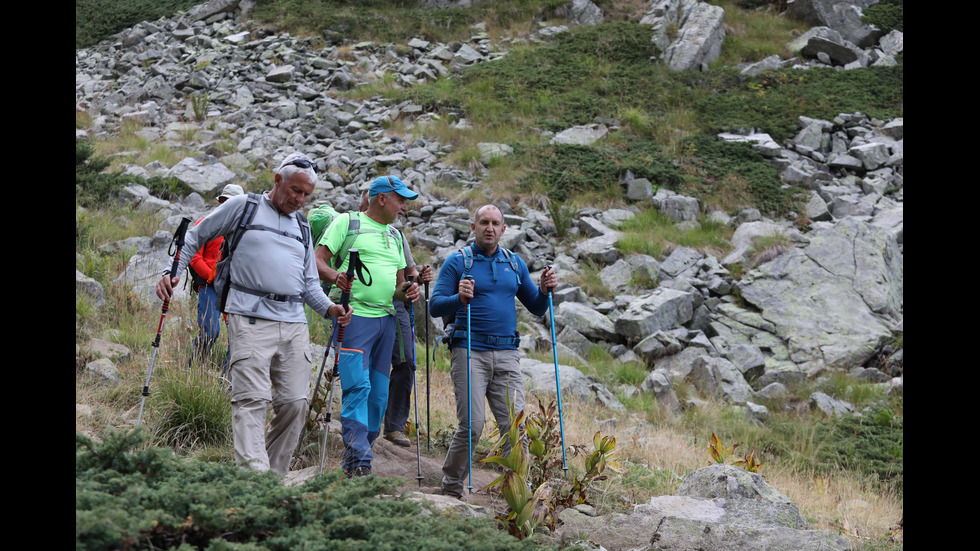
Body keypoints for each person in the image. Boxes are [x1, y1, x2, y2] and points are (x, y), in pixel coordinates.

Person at [156, 152, 352, 475]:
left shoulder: (303, 226)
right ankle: (254, 481)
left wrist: (330, 309)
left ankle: (270, 485)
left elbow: (309, 284)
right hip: (248, 319)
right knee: (251, 400)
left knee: (295, 404)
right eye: (296, 191)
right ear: (278, 180)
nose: (301, 200)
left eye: (307, 195)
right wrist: (171, 270)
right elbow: (195, 235)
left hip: (294, 325)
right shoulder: (243, 207)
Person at [429, 204, 558, 498]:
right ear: (473, 227)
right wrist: (458, 298)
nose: (490, 228)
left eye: (495, 223)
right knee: (472, 425)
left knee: (517, 428)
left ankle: (518, 492)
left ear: (503, 229)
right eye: (484, 222)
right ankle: (451, 486)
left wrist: (546, 290)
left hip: (508, 354)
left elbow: (537, 307)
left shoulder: (515, 264)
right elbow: (435, 306)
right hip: (469, 350)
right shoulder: (457, 262)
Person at [315, 175, 421, 477]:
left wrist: (409, 290)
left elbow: (400, 284)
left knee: (378, 396)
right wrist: (337, 277)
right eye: (400, 199)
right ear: (382, 199)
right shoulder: (347, 223)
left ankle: (356, 460)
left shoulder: (396, 237)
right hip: (353, 317)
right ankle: (360, 457)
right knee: (357, 387)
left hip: (387, 320)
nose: (404, 206)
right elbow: (317, 261)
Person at [188, 183, 244, 367]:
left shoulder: (245, 232)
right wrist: (213, 278)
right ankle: (192, 370)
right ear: (220, 202)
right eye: (226, 201)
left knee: (239, 338)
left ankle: (226, 384)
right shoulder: (205, 224)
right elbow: (194, 258)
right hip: (209, 287)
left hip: (234, 289)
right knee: (210, 331)